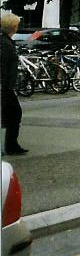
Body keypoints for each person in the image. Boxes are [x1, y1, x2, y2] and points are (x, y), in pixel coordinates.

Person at [1, 12, 27, 155]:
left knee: (12, 115)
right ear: (13, 26)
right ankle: (11, 145)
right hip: (5, 87)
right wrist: (6, 85)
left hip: (6, 86)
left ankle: (12, 144)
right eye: (17, 25)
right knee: (14, 114)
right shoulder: (5, 43)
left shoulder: (6, 41)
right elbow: (4, 66)